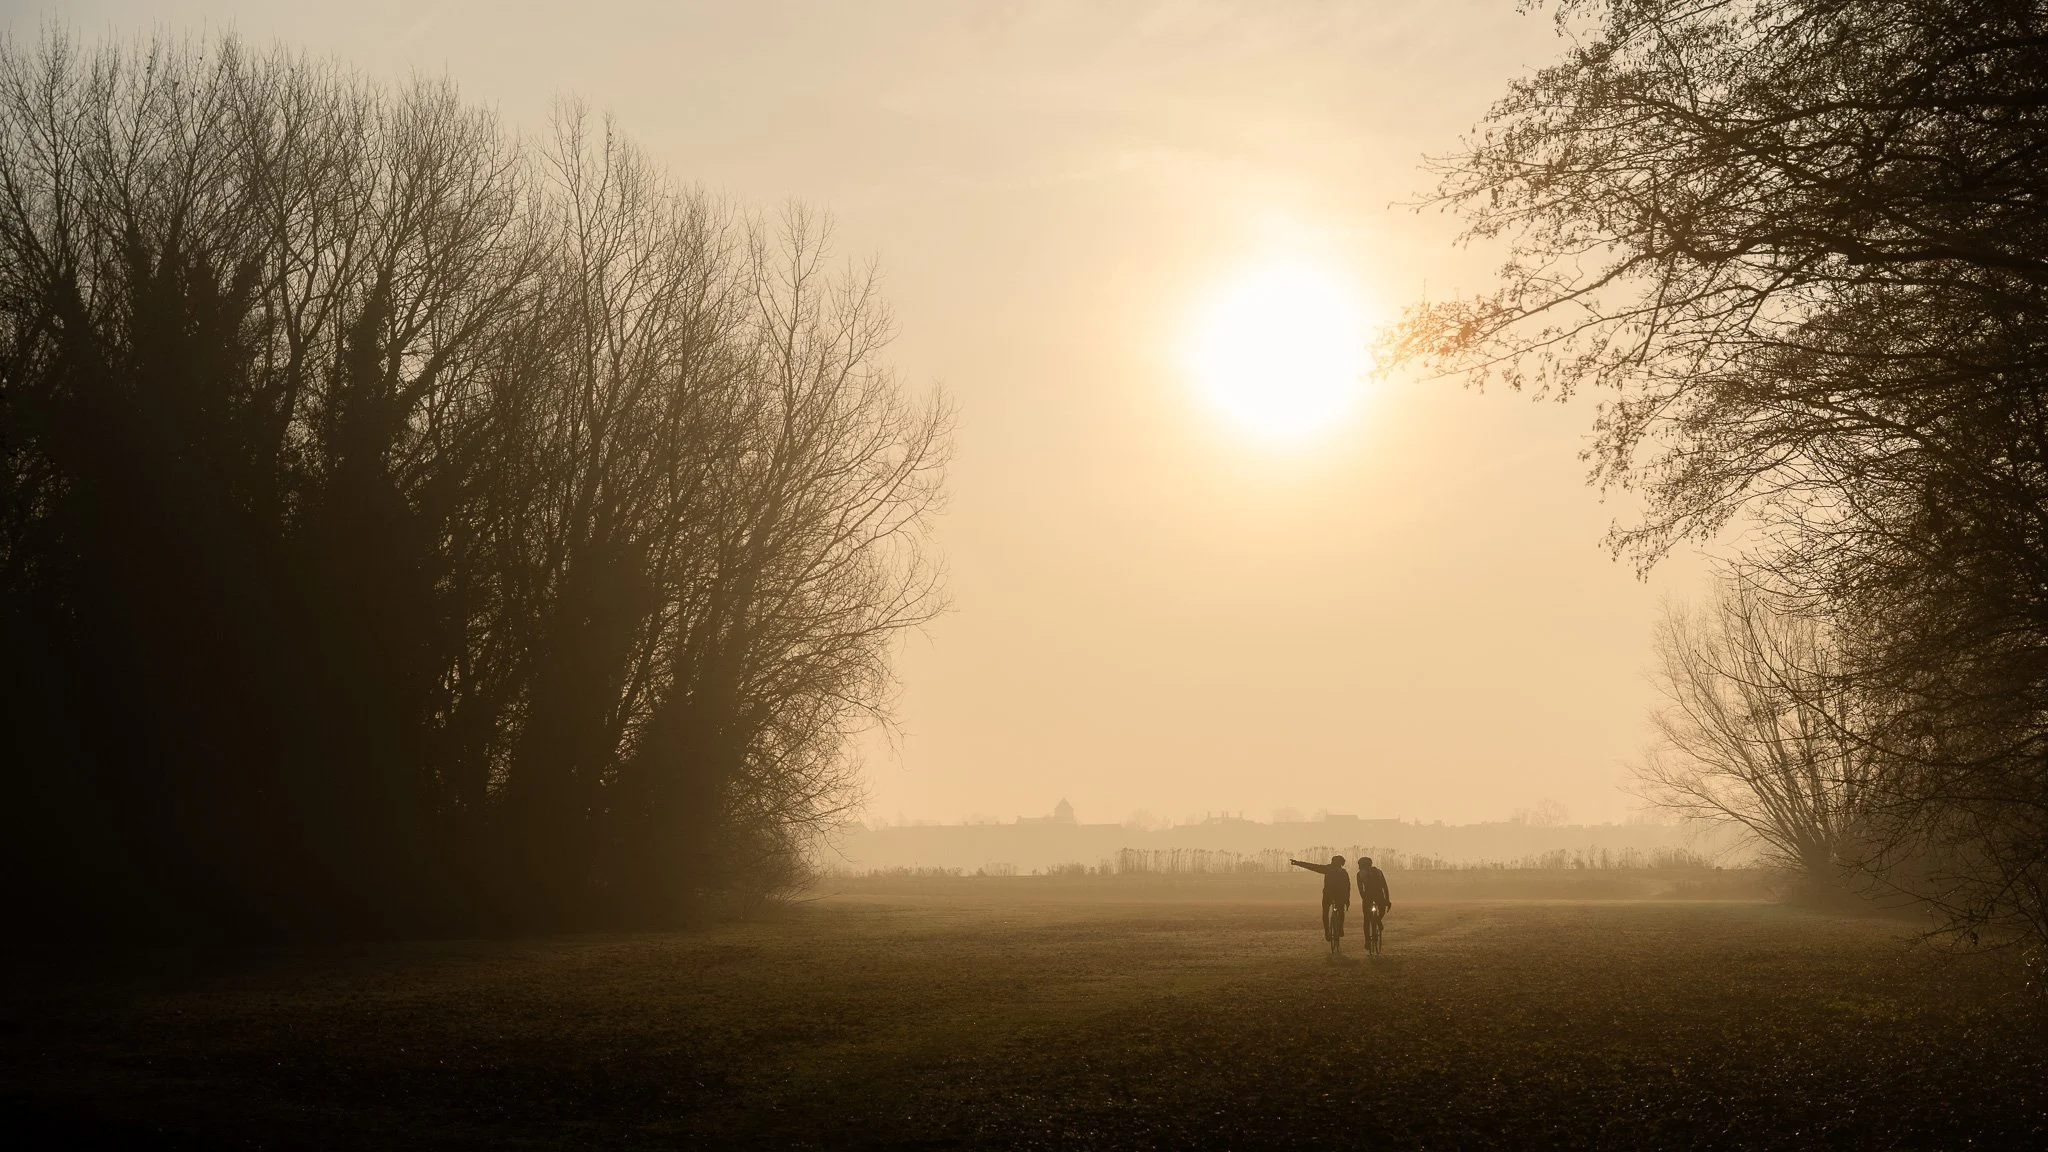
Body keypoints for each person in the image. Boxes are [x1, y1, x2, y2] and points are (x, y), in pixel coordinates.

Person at [1288, 855, 1350, 954]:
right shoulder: (1343, 873)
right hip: (1338, 896)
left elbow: (1313, 867)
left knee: (1325, 912)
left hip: (1328, 895)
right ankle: (1340, 929)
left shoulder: (1328, 869)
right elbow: (1347, 887)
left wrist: (1298, 863)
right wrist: (1347, 899)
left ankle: (1327, 932)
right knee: (1340, 911)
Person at [1356, 855, 1392, 953]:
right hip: (1380, 896)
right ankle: (1378, 921)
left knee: (1367, 920)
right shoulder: (1379, 872)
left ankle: (1367, 940)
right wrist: (1387, 900)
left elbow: (1361, 890)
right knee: (1381, 912)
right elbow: (1385, 887)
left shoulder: (1360, 874)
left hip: (1368, 897)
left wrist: (1365, 899)